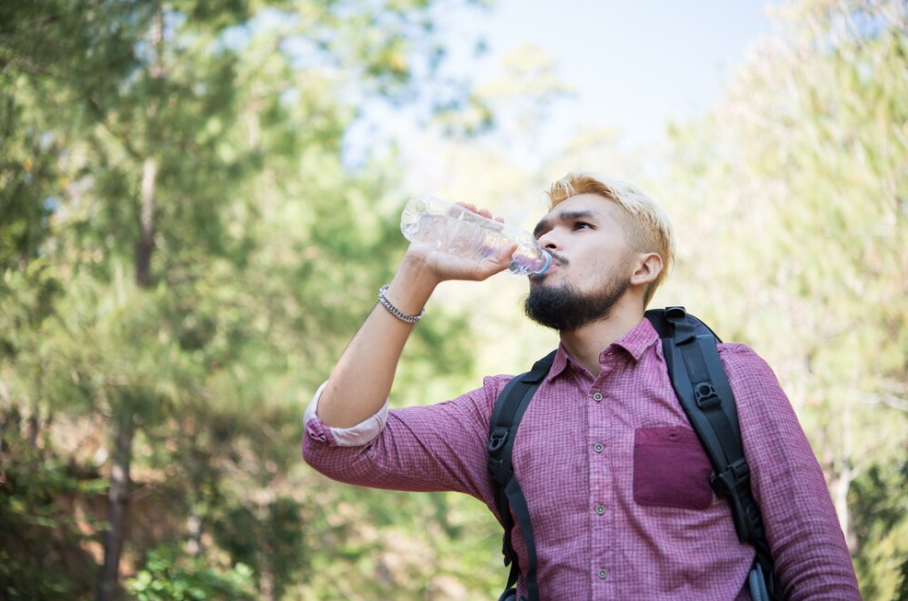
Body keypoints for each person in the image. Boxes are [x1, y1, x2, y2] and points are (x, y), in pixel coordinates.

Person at [302, 172, 862, 600]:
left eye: (580, 226)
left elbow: (814, 562)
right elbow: (337, 441)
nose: (549, 240)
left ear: (643, 268)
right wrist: (416, 275)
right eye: (544, 229)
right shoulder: (501, 411)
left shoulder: (728, 375)